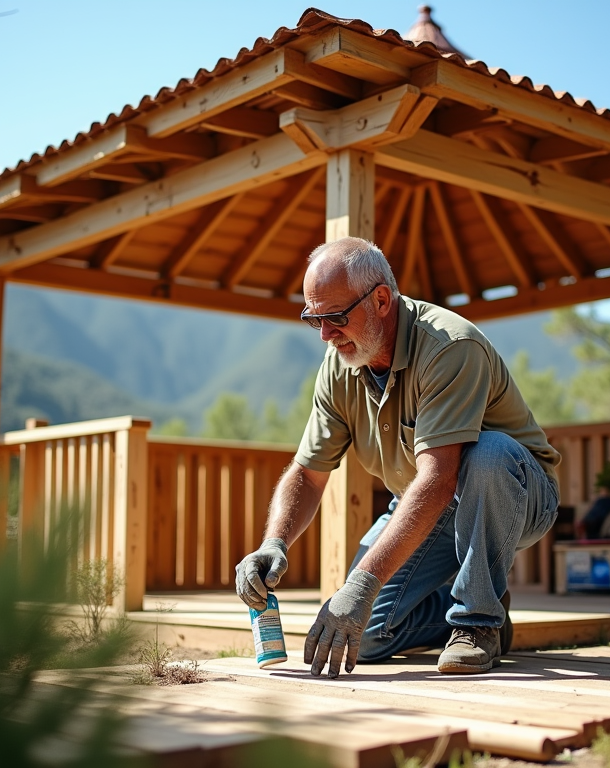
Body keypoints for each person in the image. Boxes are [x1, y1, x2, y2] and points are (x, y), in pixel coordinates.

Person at [235, 237, 561, 678]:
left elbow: (440, 478)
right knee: (364, 635)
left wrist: (363, 584)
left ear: (382, 300)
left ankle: (477, 623)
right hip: (424, 501)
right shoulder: (340, 365)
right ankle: (481, 598)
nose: (327, 336)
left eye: (335, 318)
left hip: (517, 493)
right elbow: (308, 474)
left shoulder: (450, 347)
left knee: (487, 451)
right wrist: (273, 542)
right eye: (315, 321)